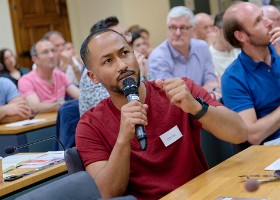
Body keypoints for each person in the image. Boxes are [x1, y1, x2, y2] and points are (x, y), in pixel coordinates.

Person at [76, 29, 248, 199]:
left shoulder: (177, 89)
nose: (122, 65)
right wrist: (123, 140)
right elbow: (107, 192)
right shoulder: (90, 125)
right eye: (108, 61)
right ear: (93, 77)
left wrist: (196, 108)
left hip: (201, 194)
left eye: (125, 53)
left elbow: (240, 133)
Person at [221, 2, 280, 145]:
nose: (269, 22)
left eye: (263, 16)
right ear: (241, 36)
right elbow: (253, 135)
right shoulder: (233, 78)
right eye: (258, 21)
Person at [79, 16, 150, 116]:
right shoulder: (92, 76)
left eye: (126, 34)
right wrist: (142, 75)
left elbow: (151, 98)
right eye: (120, 35)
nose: (129, 39)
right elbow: (119, 107)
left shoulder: (133, 60)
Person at [148, 6, 221, 99]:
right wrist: (206, 93)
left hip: (208, 106)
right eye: (173, 27)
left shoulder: (202, 47)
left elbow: (212, 83)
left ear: (193, 30)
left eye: (183, 28)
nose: (177, 33)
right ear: (167, 29)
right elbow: (173, 97)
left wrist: (209, 92)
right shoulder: (157, 57)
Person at [18, 39, 80, 114]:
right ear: (35, 59)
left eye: (53, 51)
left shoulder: (60, 75)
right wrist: (65, 104)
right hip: (44, 123)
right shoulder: (26, 80)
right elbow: (35, 107)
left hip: (64, 118)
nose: (51, 55)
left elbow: (80, 96)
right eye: (45, 52)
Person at [209, 11, 240, 85]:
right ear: (216, 30)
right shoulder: (209, 57)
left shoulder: (240, 50)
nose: (235, 36)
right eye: (229, 31)